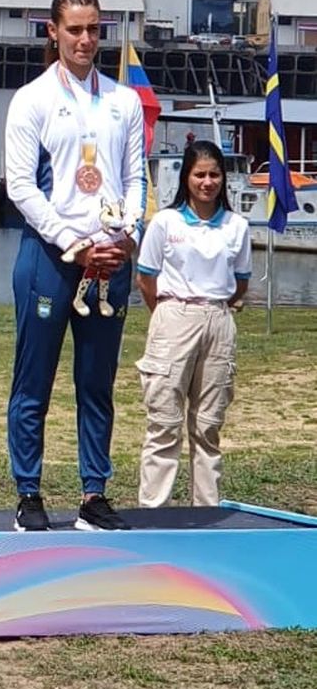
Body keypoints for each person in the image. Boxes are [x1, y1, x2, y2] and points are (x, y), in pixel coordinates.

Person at [4, 0, 145, 532]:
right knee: (33, 380)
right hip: (51, 257)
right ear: (53, 32)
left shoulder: (123, 101)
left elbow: (135, 177)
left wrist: (126, 236)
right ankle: (29, 493)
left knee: (96, 381)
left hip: (110, 260)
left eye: (93, 30)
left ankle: (93, 494)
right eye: (75, 30)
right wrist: (73, 241)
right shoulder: (32, 99)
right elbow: (20, 185)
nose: (85, 40)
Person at [135, 140, 250, 507]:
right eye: (199, 174)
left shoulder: (237, 226)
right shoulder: (165, 223)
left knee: (208, 425)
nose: (207, 182)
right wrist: (168, 314)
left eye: (214, 174)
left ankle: (207, 513)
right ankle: (154, 512)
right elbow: (146, 278)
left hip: (218, 319)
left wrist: (218, 308)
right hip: (173, 317)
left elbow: (241, 280)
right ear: (186, 177)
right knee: (164, 422)